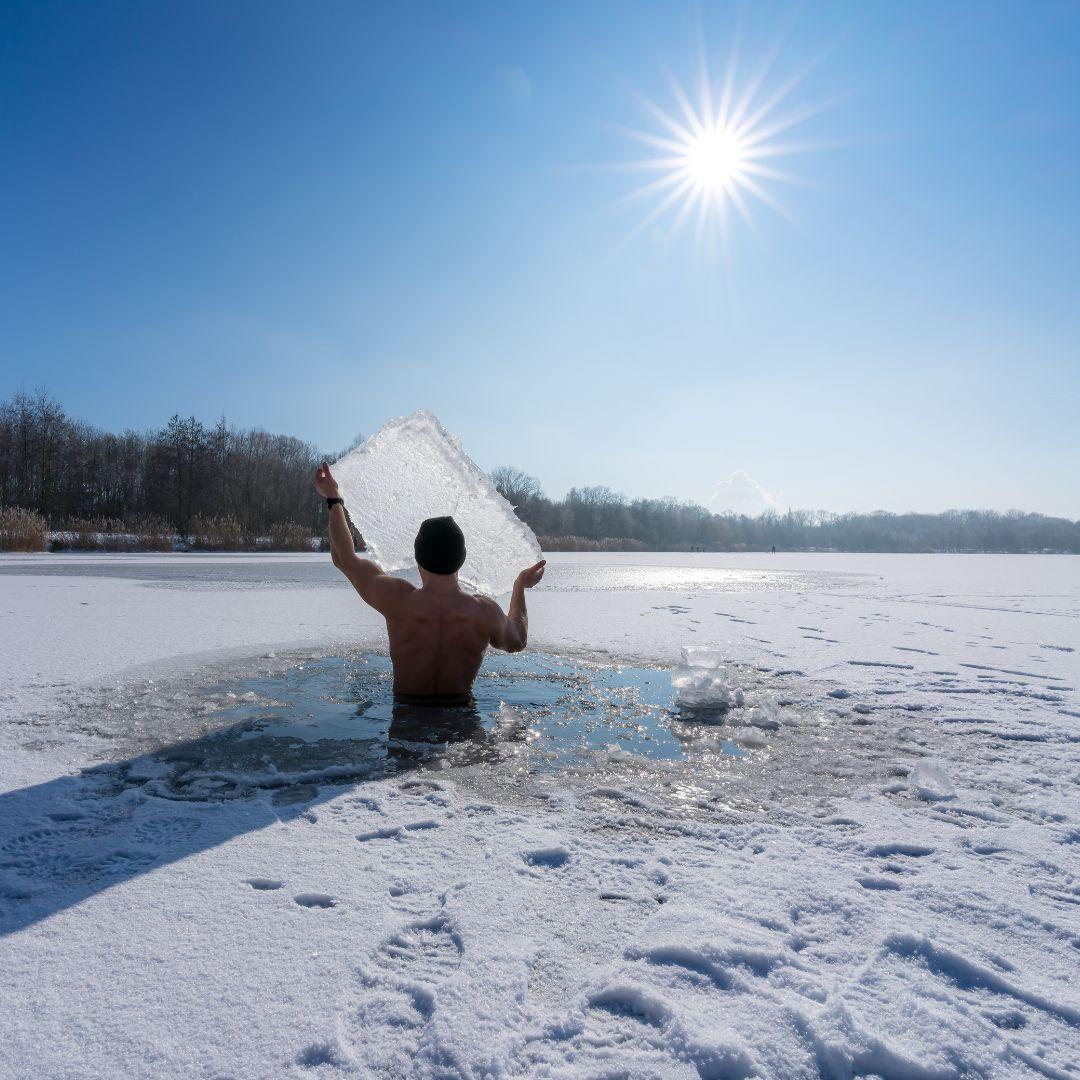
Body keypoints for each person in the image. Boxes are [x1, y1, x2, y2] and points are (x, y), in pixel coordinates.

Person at [314, 461, 546, 707]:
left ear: (418, 557)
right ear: (462, 558)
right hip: (461, 718)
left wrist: (333, 499)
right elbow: (517, 640)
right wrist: (520, 585)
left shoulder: (398, 600)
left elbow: (344, 558)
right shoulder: (484, 611)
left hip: (407, 717)